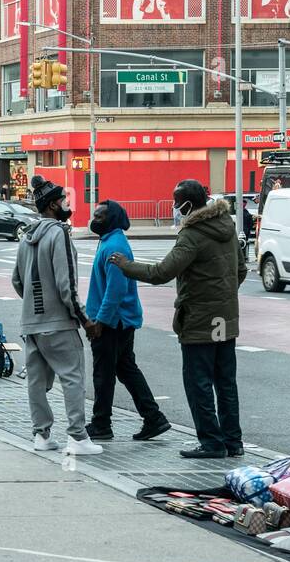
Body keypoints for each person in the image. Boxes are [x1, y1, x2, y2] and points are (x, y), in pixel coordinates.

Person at [111, 178, 247, 459]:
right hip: (226, 317)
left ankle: (211, 442)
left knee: (198, 383)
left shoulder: (193, 234)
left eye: (176, 202)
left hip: (198, 319)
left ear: (187, 204)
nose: (174, 207)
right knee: (225, 382)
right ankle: (233, 442)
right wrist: (222, 295)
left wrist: (126, 266)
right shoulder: (227, 227)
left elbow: (162, 272)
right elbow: (241, 270)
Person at [12, 176, 101, 456]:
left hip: (32, 323)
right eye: (62, 200)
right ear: (52, 205)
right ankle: (77, 437)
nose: (65, 204)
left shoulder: (27, 236)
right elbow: (67, 285)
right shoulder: (58, 233)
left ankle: (41, 434)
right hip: (58, 322)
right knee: (72, 377)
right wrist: (84, 319)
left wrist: (34, 304)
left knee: (36, 382)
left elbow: (17, 281)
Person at [84, 201, 170, 443]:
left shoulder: (115, 246)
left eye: (99, 216)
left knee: (104, 373)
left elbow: (115, 291)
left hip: (114, 322)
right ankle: (153, 417)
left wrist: (100, 321)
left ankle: (101, 423)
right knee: (126, 369)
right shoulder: (110, 241)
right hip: (119, 320)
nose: (94, 219)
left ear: (111, 219)